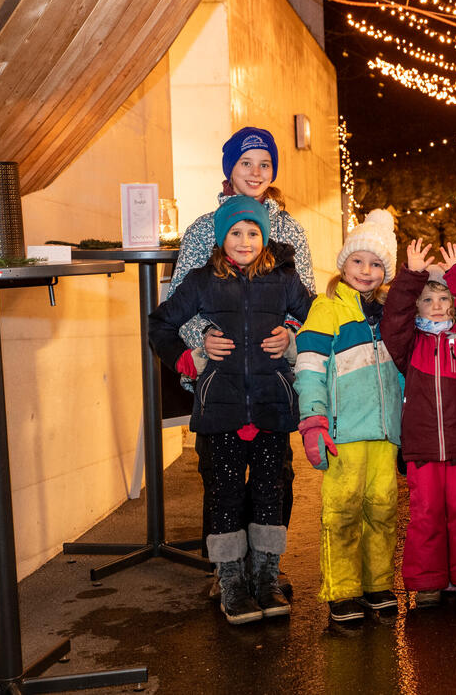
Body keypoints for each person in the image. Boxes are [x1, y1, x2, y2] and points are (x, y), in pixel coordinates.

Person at [149, 196, 312, 624]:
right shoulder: (202, 281)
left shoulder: (283, 278)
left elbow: (316, 317)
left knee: (269, 495)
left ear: (265, 237)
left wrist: (292, 337)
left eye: (253, 233)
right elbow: (160, 324)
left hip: (271, 407)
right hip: (219, 410)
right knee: (223, 496)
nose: (245, 241)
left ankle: (266, 578)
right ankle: (232, 582)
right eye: (235, 233)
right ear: (221, 239)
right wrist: (190, 357)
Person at [294, 209, 403, 625]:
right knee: (341, 510)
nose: (366, 270)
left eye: (377, 264)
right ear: (343, 263)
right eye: (358, 260)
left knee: (383, 509)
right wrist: (313, 420)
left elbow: (401, 372)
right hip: (343, 432)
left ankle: (377, 583)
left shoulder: (391, 314)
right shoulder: (327, 310)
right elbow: (308, 369)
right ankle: (342, 590)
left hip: (384, 432)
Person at [382, 240, 456, 608]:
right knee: (426, 514)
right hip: (422, 445)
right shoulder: (409, 344)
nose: (435, 306)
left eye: (443, 298)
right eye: (427, 299)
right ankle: (427, 580)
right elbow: (393, 319)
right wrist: (411, 276)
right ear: (417, 305)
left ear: (453, 303)